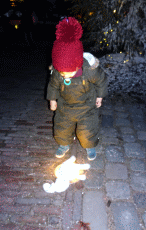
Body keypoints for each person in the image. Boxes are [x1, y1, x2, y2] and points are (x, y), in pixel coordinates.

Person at [47, 17, 108, 161]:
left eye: (69, 72)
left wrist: (100, 96)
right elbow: (53, 84)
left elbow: (101, 80)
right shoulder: (58, 72)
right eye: (62, 72)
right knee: (61, 127)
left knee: (87, 130)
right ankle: (64, 144)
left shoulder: (89, 69)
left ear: (78, 64)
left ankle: (89, 145)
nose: (65, 75)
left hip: (86, 107)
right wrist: (52, 99)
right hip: (65, 106)